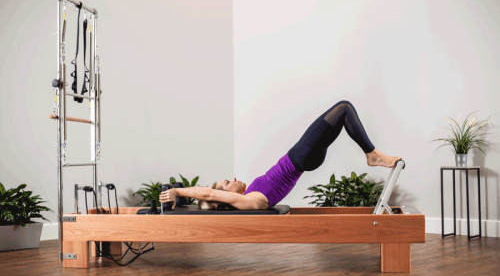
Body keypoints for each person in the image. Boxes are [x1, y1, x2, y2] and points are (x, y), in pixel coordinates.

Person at [159, 100, 402, 211]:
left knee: (343, 114)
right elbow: (210, 194)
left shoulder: (249, 194)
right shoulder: (249, 201)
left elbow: (213, 194)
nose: (232, 179)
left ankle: (372, 154)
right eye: (227, 183)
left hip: (302, 158)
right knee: (343, 108)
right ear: (226, 197)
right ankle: (373, 155)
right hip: (300, 157)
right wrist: (179, 192)